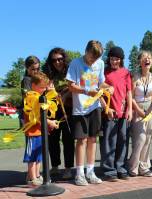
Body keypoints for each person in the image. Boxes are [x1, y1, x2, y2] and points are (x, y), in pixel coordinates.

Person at [66, 40, 113, 186]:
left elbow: (100, 83)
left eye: (96, 58)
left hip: (95, 107)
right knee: (81, 140)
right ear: (86, 51)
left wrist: (108, 87)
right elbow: (71, 86)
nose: (93, 61)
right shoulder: (75, 63)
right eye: (92, 57)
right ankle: (79, 174)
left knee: (93, 139)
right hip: (80, 108)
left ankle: (90, 172)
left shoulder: (100, 64)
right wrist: (87, 91)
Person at [100, 46, 132, 181]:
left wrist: (130, 109)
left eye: (117, 59)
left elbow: (129, 92)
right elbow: (99, 91)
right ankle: (109, 170)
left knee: (122, 141)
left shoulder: (126, 73)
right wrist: (106, 109)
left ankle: (121, 167)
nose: (114, 62)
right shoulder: (104, 73)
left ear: (121, 60)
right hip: (110, 113)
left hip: (123, 112)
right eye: (112, 59)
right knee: (109, 142)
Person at [43, 47, 74, 179]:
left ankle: (68, 168)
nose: (57, 62)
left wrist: (65, 94)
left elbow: (75, 86)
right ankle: (55, 166)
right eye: (54, 60)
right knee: (52, 139)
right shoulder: (48, 74)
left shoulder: (71, 71)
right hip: (52, 109)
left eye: (60, 59)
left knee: (68, 139)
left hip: (68, 109)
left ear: (64, 59)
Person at [23, 71, 58, 186]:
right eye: (41, 87)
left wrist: (50, 122)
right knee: (32, 157)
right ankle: (32, 179)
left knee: (38, 156)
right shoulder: (31, 97)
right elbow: (37, 117)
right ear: (33, 85)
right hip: (32, 133)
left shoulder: (39, 97)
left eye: (45, 87)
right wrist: (50, 122)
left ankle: (37, 175)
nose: (44, 90)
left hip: (40, 132)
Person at [128, 51, 152, 177]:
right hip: (137, 108)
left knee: (148, 138)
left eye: (149, 58)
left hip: (150, 109)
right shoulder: (134, 77)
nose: (147, 60)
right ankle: (132, 166)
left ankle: (144, 166)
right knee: (139, 138)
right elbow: (131, 96)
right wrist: (138, 110)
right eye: (144, 58)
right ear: (140, 62)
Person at [20, 56, 41, 126]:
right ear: (27, 68)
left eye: (38, 69)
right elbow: (28, 97)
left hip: (36, 112)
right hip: (29, 113)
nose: (36, 71)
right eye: (33, 69)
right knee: (33, 136)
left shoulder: (37, 79)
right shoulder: (27, 80)